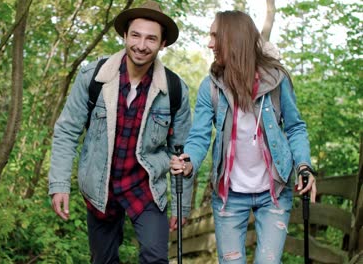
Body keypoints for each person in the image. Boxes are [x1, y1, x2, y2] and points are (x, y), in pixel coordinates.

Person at [48, 1, 192, 263]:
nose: (141, 44)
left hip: (146, 187)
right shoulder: (93, 77)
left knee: (155, 258)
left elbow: (183, 152)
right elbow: (67, 131)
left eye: (151, 38)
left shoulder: (175, 89)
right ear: (125, 36)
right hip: (101, 186)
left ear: (162, 45)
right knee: (103, 260)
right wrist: (59, 184)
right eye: (135, 35)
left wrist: (184, 206)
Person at [170, 10, 317, 263]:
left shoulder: (276, 80)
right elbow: (200, 135)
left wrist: (304, 165)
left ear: (234, 38)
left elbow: (295, 128)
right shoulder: (211, 86)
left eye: (215, 36)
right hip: (230, 193)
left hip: (274, 189)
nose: (209, 43)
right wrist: (189, 160)